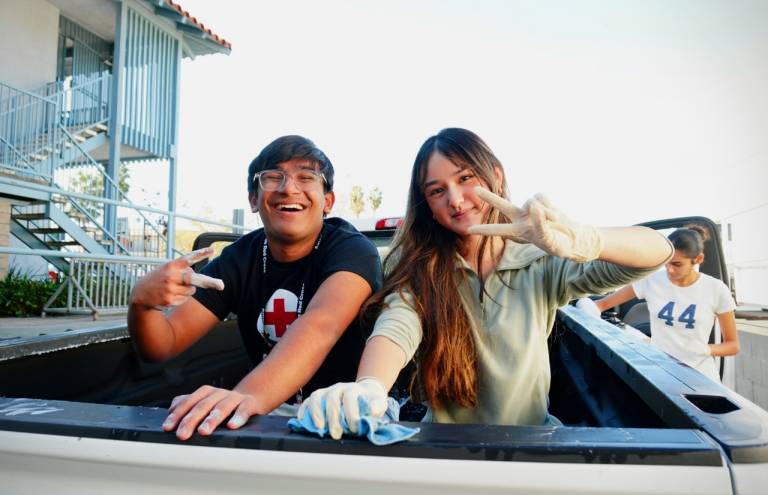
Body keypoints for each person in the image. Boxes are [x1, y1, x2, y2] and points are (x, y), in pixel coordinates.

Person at [298, 127, 673, 439]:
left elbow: (658, 251)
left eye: (465, 179)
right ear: (426, 203)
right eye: (437, 190)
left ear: (495, 174)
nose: (456, 200)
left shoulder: (540, 259)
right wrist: (369, 386)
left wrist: (587, 240)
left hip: (534, 446)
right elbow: (397, 327)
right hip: (444, 450)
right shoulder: (421, 267)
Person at [128, 135, 382, 440]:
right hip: (271, 419)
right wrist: (142, 303)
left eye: (306, 177)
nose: (288, 188)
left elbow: (321, 324)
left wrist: (244, 397)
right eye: (273, 177)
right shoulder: (239, 259)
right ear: (253, 198)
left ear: (328, 201)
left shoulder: (352, 250)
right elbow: (162, 345)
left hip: (348, 419)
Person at [593, 225, 739, 382]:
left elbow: (732, 346)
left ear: (698, 259)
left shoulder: (716, 289)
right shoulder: (651, 281)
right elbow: (601, 305)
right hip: (661, 375)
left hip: (700, 378)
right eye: (666, 262)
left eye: (677, 264)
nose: (669, 270)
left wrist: (704, 349)